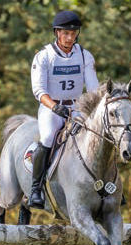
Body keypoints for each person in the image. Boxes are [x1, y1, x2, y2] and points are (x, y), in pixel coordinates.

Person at [29, 10, 99, 209]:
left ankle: (108, 185)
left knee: (98, 135)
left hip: (78, 107)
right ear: (57, 33)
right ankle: (36, 189)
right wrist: (54, 106)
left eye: (73, 33)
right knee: (48, 137)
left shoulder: (84, 55)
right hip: (52, 108)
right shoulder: (44, 56)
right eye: (65, 33)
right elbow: (39, 90)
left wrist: (91, 110)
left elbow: (93, 89)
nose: (70, 37)